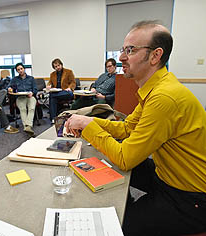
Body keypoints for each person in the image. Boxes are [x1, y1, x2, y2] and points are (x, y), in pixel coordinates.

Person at [65, 20, 206, 235]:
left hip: (190, 197)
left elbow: (126, 158)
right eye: (124, 49)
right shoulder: (157, 87)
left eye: (130, 50)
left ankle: (129, 209)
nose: (121, 57)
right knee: (107, 163)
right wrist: (88, 122)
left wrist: (88, 126)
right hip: (166, 175)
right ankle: (129, 201)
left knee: (120, 224)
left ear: (155, 56)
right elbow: (127, 129)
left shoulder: (164, 97)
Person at [8, 63, 37, 135]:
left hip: (30, 96)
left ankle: (28, 126)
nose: (20, 71)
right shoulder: (15, 79)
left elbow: (35, 89)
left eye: (21, 69)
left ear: (24, 69)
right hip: (20, 97)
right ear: (17, 71)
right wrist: (9, 88)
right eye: (18, 70)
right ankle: (27, 126)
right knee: (23, 109)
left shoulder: (31, 78)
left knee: (31, 108)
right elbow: (9, 87)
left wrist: (32, 93)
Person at [47, 58, 76, 123]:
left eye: (58, 65)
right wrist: (49, 85)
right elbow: (50, 82)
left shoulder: (69, 72)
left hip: (66, 92)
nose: (58, 67)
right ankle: (54, 118)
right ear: (54, 68)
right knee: (53, 97)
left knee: (52, 96)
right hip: (57, 92)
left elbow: (73, 82)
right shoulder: (52, 74)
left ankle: (53, 118)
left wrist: (70, 88)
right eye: (55, 67)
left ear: (61, 65)